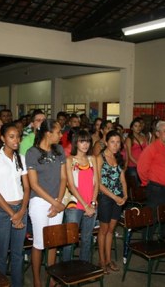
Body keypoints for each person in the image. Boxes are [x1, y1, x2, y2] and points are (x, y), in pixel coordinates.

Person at [26, 119, 66, 287]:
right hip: (39, 202)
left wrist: (58, 201)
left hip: (57, 200)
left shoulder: (59, 150)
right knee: (40, 243)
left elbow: (64, 178)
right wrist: (54, 203)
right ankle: (36, 279)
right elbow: (34, 184)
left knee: (53, 242)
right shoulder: (32, 153)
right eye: (58, 132)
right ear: (48, 134)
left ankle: (51, 278)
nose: (61, 135)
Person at [0, 123, 30, 287]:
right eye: (12, 137)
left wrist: (21, 210)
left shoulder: (22, 158)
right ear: (3, 138)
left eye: (18, 136)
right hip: (3, 211)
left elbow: (27, 187)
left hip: (20, 208)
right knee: (1, 253)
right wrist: (13, 215)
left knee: (18, 253)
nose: (16, 140)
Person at [62, 129, 99, 262]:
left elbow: (97, 183)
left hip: (91, 203)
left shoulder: (92, 159)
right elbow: (71, 186)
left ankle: (84, 267)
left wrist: (93, 203)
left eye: (88, 141)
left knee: (87, 238)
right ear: (75, 143)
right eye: (82, 141)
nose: (85, 144)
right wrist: (85, 206)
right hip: (74, 204)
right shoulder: (69, 160)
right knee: (70, 239)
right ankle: (65, 271)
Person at [137, 121, 165, 239]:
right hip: (157, 189)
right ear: (157, 133)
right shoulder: (152, 148)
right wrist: (147, 182)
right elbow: (141, 168)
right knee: (152, 218)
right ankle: (146, 243)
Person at [96, 130, 127, 273]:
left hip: (118, 198)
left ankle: (109, 260)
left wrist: (125, 195)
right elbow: (98, 184)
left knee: (110, 230)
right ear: (106, 142)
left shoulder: (119, 157)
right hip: (105, 198)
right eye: (112, 142)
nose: (115, 145)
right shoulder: (100, 158)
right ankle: (101, 261)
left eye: (118, 142)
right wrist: (115, 197)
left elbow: (122, 179)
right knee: (103, 231)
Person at [125, 118, 148, 184]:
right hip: (133, 165)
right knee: (135, 179)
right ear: (132, 128)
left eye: (139, 126)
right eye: (135, 126)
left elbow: (147, 152)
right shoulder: (129, 139)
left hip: (143, 164)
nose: (138, 128)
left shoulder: (144, 137)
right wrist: (138, 164)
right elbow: (129, 155)